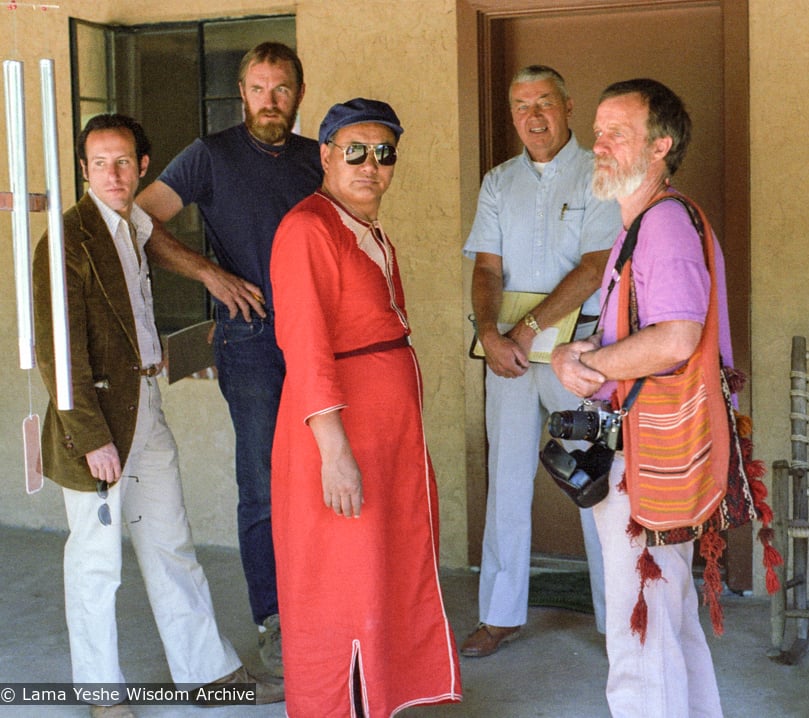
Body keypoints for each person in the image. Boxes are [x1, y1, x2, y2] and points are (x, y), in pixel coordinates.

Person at [32, 114, 284, 718]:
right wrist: (90, 437)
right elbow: (55, 349)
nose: (113, 174)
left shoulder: (136, 225)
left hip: (147, 407)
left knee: (171, 544)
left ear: (143, 167)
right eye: (100, 164)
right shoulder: (67, 239)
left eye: (124, 162)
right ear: (84, 170)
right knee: (95, 562)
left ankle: (206, 672)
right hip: (95, 422)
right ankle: (102, 693)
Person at [269, 98, 462, 717]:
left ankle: (382, 697)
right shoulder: (308, 228)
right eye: (354, 150)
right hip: (339, 436)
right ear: (324, 155)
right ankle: (340, 704)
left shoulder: (363, 227)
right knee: (342, 582)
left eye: (383, 153)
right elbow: (306, 348)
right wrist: (334, 453)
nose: (369, 165)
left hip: (384, 435)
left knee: (382, 569)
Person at [134, 41, 322, 676]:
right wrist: (209, 275)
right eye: (259, 88)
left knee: (329, 472)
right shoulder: (209, 155)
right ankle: (274, 620)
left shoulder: (316, 157)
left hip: (320, 336)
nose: (271, 101)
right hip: (250, 338)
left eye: (283, 89)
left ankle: (323, 607)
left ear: (299, 93)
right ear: (241, 93)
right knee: (264, 484)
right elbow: (140, 221)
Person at [551, 79, 728, 718]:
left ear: (661, 145)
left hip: (650, 455)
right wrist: (582, 356)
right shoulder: (646, 223)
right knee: (667, 619)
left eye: (616, 133)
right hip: (655, 449)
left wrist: (589, 363)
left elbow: (676, 336)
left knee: (638, 629)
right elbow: (638, 332)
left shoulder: (664, 226)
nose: (598, 145)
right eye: (597, 132)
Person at [460, 64, 618, 657]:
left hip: (580, 357)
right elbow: (486, 268)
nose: (533, 116)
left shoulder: (597, 173)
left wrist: (524, 330)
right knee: (505, 482)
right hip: (509, 359)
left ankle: (615, 619)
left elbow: (594, 267)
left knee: (595, 479)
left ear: (568, 105)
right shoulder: (499, 181)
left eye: (544, 102)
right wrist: (489, 333)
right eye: (521, 105)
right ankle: (500, 615)